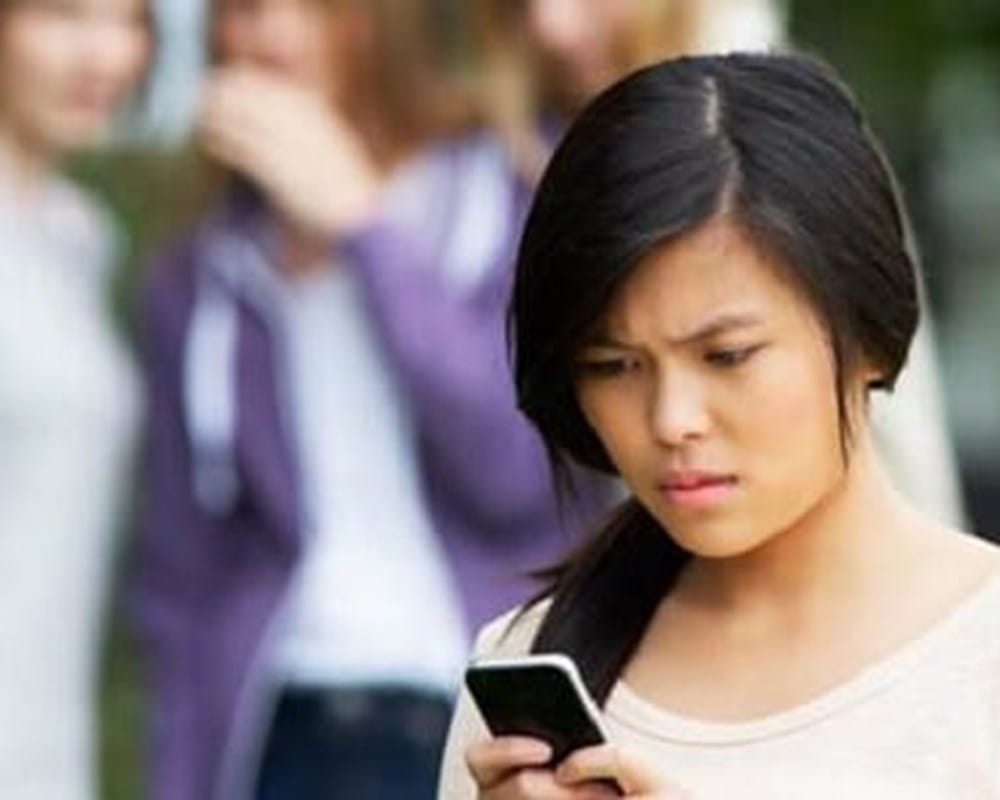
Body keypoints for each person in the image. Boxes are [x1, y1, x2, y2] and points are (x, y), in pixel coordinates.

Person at [438, 53, 1000, 799]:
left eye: (727, 355)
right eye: (613, 365)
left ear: (865, 331)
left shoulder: (978, 656)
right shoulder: (529, 667)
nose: (671, 420)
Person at [129, 0, 608, 798]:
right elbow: (180, 584)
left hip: (475, 715)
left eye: (311, 7)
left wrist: (364, 226)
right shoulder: (200, 273)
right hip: (280, 726)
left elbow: (518, 471)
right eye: (244, 10)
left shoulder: (508, 187)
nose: (272, 36)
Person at [474, 0, 966, 528]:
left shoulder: (775, 146)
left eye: (727, 355)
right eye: (610, 366)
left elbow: (906, 448)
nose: (553, 27)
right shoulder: (503, 155)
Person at [0, 1, 150, 799]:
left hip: (47, 752)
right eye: (64, 13)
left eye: (128, 18)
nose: (104, 55)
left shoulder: (82, 238)